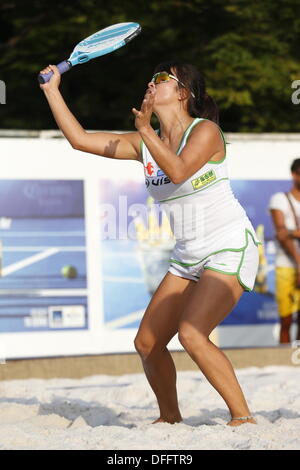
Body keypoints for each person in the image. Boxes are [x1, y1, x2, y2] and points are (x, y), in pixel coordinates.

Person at [39, 60, 261, 427]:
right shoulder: (146, 142)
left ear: (183, 93)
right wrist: (52, 90)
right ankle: (170, 419)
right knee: (147, 343)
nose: (150, 82)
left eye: (161, 79)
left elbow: (177, 170)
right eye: (151, 77)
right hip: (188, 255)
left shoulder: (205, 131)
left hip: (229, 246)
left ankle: (242, 417)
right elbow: (80, 140)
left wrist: (145, 129)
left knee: (191, 334)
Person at [269, 159, 300, 344]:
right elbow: (281, 233)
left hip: (294, 264)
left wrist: (291, 232)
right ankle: (283, 360)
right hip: (286, 266)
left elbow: (285, 232)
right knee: (286, 319)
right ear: (294, 175)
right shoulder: (280, 199)